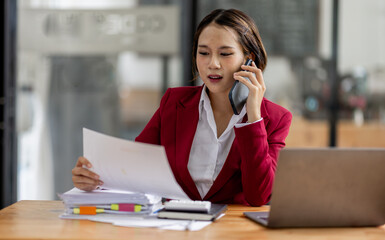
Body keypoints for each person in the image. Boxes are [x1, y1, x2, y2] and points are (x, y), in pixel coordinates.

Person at [72, 9, 292, 206]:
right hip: (174, 226)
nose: (212, 64)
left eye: (225, 54)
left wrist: (253, 118)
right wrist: (94, 176)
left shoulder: (275, 118)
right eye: (204, 53)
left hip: (233, 231)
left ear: (249, 59)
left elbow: (258, 196)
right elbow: (135, 166)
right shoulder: (175, 102)